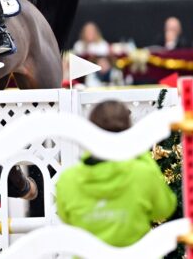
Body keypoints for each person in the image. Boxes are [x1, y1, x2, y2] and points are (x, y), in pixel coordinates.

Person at [56, 100, 176, 246]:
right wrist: (141, 154)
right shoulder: (142, 173)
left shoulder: (68, 179)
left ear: (91, 133)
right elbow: (164, 210)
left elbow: (67, 219)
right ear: (128, 131)